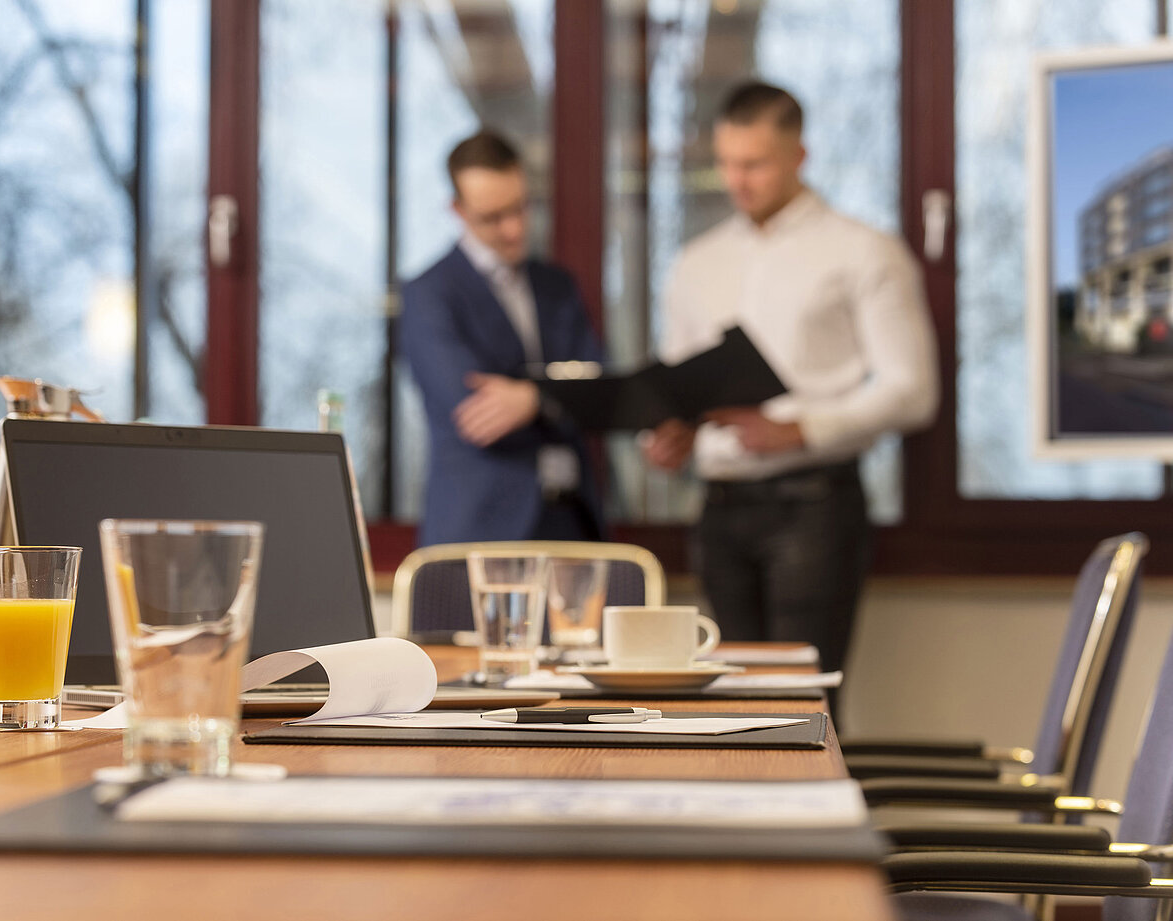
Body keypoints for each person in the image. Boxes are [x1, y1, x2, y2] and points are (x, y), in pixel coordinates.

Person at [642, 81, 939, 673]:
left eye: (754, 164)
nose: (737, 181)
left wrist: (802, 429)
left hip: (815, 506)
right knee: (724, 705)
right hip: (718, 509)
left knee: (806, 702)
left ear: (799, 156)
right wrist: (675, 428)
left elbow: (914, 392)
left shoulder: (865, 252)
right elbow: (682, 382)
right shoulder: (695, 262)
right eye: (726, 163)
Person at [400, 130, 604, 547]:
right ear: (457, 210)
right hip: (480, 528)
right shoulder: (429, 295)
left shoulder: (558, 286)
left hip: (572, 522)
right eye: (493, 217)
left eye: (520, 209)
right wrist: (563, 394)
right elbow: (478, 412)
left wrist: (532, 398)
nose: (513, 229)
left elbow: (601, 386)